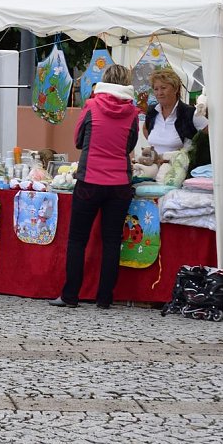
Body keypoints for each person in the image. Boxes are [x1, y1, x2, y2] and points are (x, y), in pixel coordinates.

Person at [50, 64, 139, 310]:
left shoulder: (91, 106)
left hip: (90, 180)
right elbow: (130, 143)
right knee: (111, 241)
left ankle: (70, 296)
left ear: (105, 80)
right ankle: (104, 298)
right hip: (120, 184)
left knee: (78, 239)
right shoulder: (132, 113)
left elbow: (78, 141)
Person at [143, 67, 208, 156]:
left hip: (179, 168)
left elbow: (211, 135)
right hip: (154, 166)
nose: (159, 93)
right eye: (156, 89)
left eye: (163, 88)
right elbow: (145, 128)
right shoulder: (152, 111)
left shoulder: (190, 113)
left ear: (175, 89)